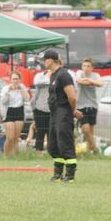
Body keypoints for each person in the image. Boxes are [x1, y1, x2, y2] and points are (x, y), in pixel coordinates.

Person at [45, 50, 83, 183]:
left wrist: (73, 110)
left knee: (65, 143)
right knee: (53, 145)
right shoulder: (53, 75)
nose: (44, 63)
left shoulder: (63, 75)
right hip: (55, 113)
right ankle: (57, 174)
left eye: (45, 60)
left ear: (50, 60)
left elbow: (71, 96)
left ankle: (70, 175)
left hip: (64, 112)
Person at [75, 58, 103, 153]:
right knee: (85, 129)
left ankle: (88, 152)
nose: (86, 68)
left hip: (92, 105)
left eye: (88, 66)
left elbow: (101, 84)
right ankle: (95, 148)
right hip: (81, 106)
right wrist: (90, 81)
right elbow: (78, 81)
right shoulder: (79, 73)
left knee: (90, 131)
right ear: (82, 67)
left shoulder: (96, 75)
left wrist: (88, 80)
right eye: (84, 66)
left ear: (92, 68)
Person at [0, 71, 30, 155]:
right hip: (9, 112)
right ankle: (5, 156)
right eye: (13, 79)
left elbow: (27, 98)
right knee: (10, 137)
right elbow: (3, 102)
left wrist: (21, 90)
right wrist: (9, 91)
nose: (15, 81)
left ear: (19, 80)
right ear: (10, 80)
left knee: (16, 137)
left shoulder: (22, 87)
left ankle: (15, 156)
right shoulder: (6, 88)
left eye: (17, 79)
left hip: (19, 111)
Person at [32, 68, 52, 155]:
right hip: (40, 109)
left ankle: (51, 153)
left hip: (52, 110)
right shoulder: (39, 76)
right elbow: (37, 82)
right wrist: (49, 77)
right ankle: (38, 153)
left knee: (51, 133)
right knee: (40, 132)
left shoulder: (59, 76)